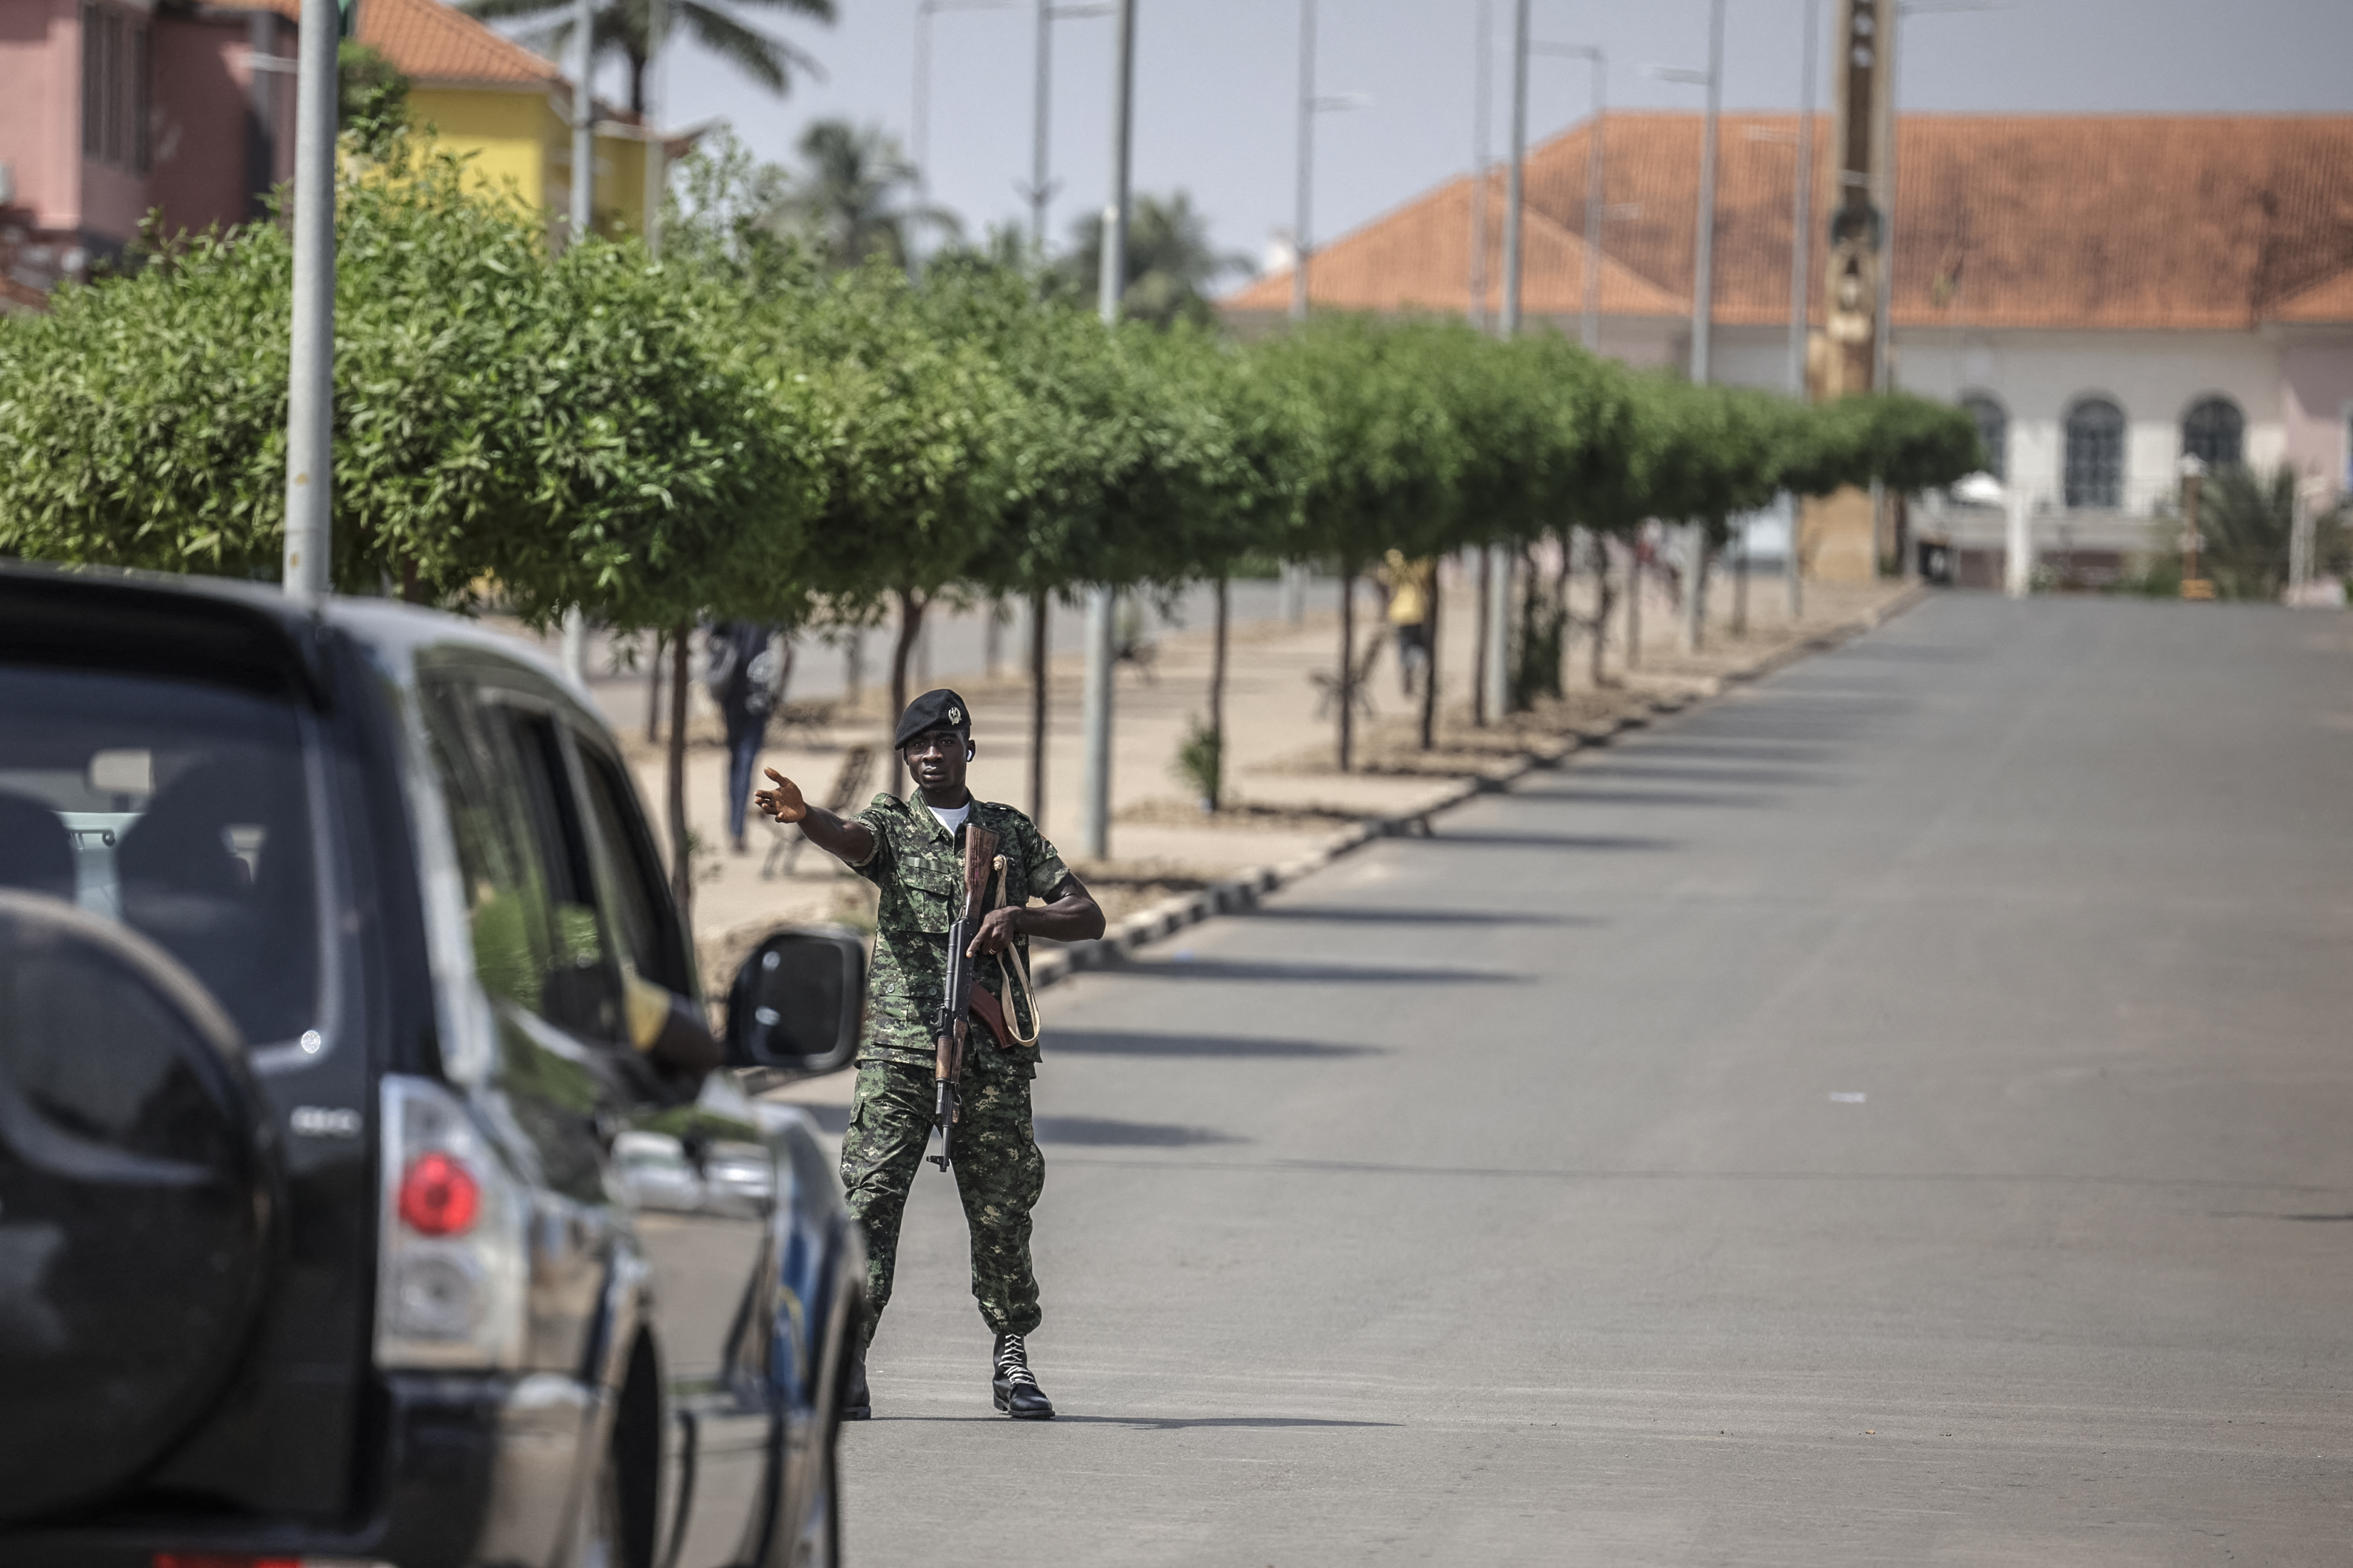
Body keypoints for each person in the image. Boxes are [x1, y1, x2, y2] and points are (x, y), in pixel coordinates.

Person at [753, 689, 1105, 1421]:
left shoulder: (1007, 831)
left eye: (944, 743)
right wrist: (807, 817)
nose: (931, 755)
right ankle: (846, 1360)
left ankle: (1012, 1356)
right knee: (869, 1203)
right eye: (918, 746)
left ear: (966, 748)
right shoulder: (893, 823)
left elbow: (1088, 915)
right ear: (906, 757)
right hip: (899, 1054)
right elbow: (854, 839)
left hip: (994, 1057)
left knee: (1003, 1211)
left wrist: (1021, 915)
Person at [705, 622, 782, 854]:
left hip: (731, 693)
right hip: (755, 696)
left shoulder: (729, 605)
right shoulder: (765, 608)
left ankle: (735, 827)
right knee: (745, 759)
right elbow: (783, 648)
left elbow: (709, 639)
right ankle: (737, 829)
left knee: (737, 759)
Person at [1379, 550, 1436, 696]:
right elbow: (1428, 581)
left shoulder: (1394, 556)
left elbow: (1383, 578)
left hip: (1399, 612)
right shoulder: (1423, 558)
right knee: (1422, 647)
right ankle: (1417, 669)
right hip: (1418, 611)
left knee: (1404, 648)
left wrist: (1385, 602)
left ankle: (1407, 677)